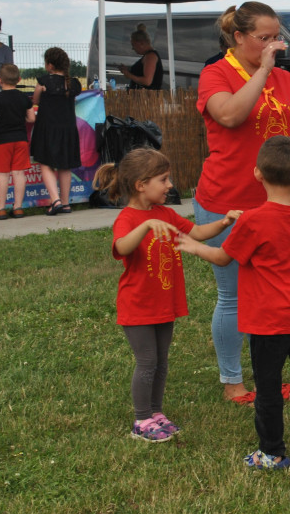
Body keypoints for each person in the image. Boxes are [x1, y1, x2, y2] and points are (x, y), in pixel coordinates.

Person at [177, 136, 290, 476]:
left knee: (269, 386)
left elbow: (221, 255)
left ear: (257, 173)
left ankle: (272, 453)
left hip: (269, 322)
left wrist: (191, 244)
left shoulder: (253, 221)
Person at [193, 1, 290, 405]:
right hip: (228, 200)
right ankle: (233, 382)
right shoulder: (215, 74)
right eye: (265, 38)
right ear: (238, 37)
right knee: (234, 294)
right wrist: (265, 72)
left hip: (278, 203)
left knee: (273, 295)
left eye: (278, 37)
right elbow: (231, 115)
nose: (275, 44)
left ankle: (267, 376)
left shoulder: (286, 78)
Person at [98, 148, 240, 443]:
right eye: (163, 180)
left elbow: (198, 232)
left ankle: (156, 413)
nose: (170, 185)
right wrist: (147, 225)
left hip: (164, 303)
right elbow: (122, 247)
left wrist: (224, 222)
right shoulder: (127, 218)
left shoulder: (166, 213)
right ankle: (141, 420)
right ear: (141, 185)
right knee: (147, 361)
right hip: (138, 305)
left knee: (161, 362)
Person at [30, 47, 82, 215]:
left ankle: (55, 200)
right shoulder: (74, 83)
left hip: (47, 128)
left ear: (50, 65)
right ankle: (66, 203)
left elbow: (35, 100)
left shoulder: (44, 81)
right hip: (68, 128)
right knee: (65, 166)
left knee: (46, 164)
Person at [0, 63, 34, 219]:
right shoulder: (23, 97)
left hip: (2, 141)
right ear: (19, 79)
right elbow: (32, 118)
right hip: (20, 140)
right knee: (19, 173)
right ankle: (18, 207)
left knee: (3, 174)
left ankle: (1, 209)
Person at [119, 24, 164, 90]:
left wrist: (129, 75)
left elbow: (147, 81)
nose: (133, 48)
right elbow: (141, 72)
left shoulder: (150, 57)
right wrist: (128, 70)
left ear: (141, 43)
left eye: (133, 45)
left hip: (147, 96)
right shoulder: (148, 56)